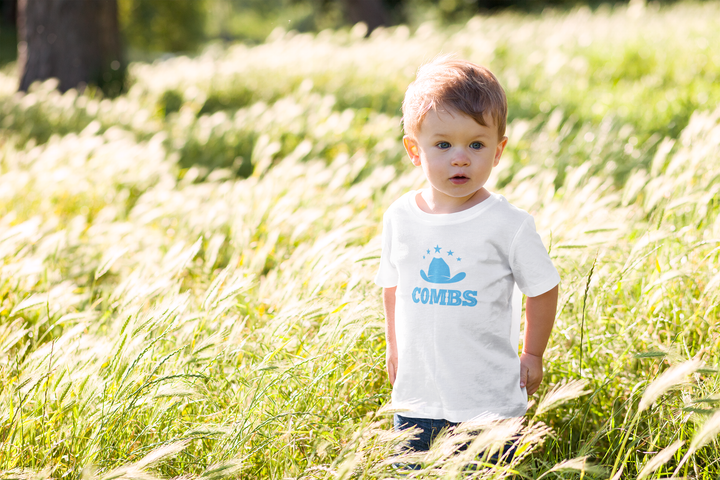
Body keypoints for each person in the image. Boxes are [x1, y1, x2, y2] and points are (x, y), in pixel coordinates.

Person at [374, 56, 560, 462]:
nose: (460, 158)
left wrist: (532, 353)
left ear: (497, 151)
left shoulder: (508, 224)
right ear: (414, 150)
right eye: (443, 144)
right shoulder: (400, 217)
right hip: (416, 398)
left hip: (486, 401)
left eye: (476, 144)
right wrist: (394, 346)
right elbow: (393, 285)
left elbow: (543, 287)